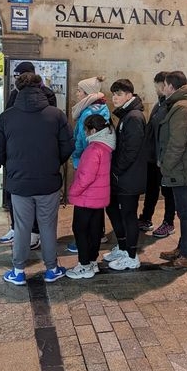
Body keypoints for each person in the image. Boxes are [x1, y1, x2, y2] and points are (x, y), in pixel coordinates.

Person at [0, 72, 74, 285]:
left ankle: (18, 271)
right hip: (48, 182)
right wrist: (53, 163)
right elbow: (67, 146)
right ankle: (51, 268)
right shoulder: (56, 115)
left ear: (17, 89)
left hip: (19, 184)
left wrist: (5, 166)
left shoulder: (6, 117)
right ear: (41, 88)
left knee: (21, 227)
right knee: (47, 226)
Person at [0, 62, 54, 245]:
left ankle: (27, 242)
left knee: (23, 203)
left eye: (18, 76)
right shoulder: (21, 95)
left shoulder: (43, 96)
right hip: (39, 162)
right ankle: (47, 259)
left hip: (21, 160)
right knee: (39, 211)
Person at [157, 71, 187, 270]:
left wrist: (166, 165)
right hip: (184, 167)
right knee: (183, 212)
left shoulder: (182, 107)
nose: (162, 89)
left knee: (185, 213)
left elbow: (178, 142)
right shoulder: (183, 104)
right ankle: (182, 248)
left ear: (170, 86)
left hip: (183, 168)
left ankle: (186, 255)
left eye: (164, 85)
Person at [104, 79, 148, 271]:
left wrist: (116, 170)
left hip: (129, 177)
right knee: (113, 209)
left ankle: (131, 255)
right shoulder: (127, 115)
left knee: (128, 214)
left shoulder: (134, 117)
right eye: (113, 94)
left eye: (119, 94)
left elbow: (131, 150)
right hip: (123, 176)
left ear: (130, 95)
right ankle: (123, 247)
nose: (115, 98)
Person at [66, 115, 115, 279]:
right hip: (99, 198)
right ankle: (92, 262)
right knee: (95, 231)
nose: (85, 134)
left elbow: (86, 177)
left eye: (86, 130)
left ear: (93, 130)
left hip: (86, 198)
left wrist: (73, 191)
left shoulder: (93, 149)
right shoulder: (106, 147)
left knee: (80, 230)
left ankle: (84, 264)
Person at [66, 75, 110, 253]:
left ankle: (85, 242)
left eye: (79, 90)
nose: (76, 93)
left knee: (86, 204)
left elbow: (83, 141)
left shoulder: (89, 113)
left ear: (88, 93)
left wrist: (75, 154)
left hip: (87, 161)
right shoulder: (100, 108)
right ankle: (98, 234)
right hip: (96, 161)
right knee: (96, 203)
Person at [137, 71, 177, 239]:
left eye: (157, 86)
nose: (156, 89)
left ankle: (169, 222)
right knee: (151, 189)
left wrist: (164, 157)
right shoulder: (160, 104)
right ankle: (146, 218)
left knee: (168, 191)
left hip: (163, 158)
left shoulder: (171, 106)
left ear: (164, 85)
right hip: (152, 156)